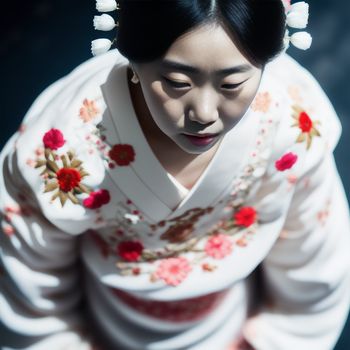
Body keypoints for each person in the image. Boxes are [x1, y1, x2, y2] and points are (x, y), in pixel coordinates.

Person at [1, 0, 350, 349]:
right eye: (177, 82)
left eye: (232, 84)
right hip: (108, 322)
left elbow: (314, 253)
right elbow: (30, 276)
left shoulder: (288, 123)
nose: (204, 113)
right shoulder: (68, 146)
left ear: (265, 64)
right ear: (132, 57)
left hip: (231, 321)